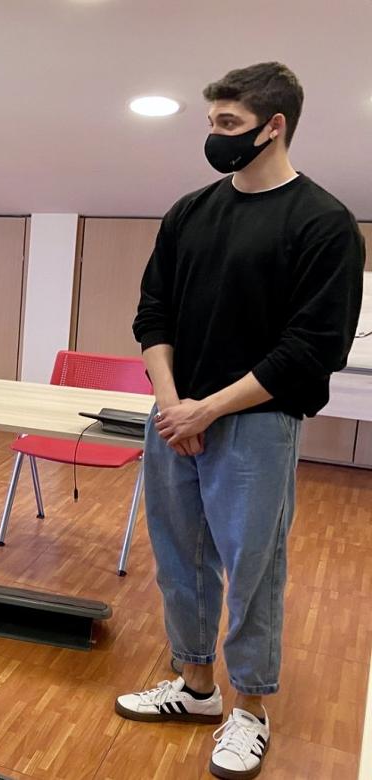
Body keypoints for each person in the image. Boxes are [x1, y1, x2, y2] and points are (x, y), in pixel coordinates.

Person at [117, 63, 365, 780]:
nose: (216, 136)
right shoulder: (190, 212)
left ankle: (249, 711)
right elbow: (152, 314)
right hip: (173, 419)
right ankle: (196, 688)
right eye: (212, 124)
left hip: (255, 425)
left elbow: (312, 347)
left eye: (228, 124)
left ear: (273, 125)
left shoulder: (322, 223)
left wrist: (211, 406)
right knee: (179, 560)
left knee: (252, 571)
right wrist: (173, 404)